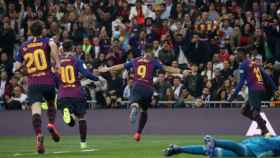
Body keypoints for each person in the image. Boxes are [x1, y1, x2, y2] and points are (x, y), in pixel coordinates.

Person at [99, 45, 181, 142]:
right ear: (151, 54)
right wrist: (180, 71)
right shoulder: (154, 62)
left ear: (143, 53)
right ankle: (138, 133)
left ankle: (134, 106)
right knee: (144, 111)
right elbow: (166, 68)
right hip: (148, 89)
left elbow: (121, 66)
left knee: (135, 102)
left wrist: (108, 69)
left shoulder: (135, 60)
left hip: (137, 85)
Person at [14, 21, 61, 154]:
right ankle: (51, 124)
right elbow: (53, 45)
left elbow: (17, 67)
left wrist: (25, 66)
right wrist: (57, 63)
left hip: (33, 83)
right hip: (47, 80)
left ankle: (38, 134)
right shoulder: (47, 41)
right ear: (42, 30)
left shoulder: (23, 46)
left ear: (30, 31)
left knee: (36, 110)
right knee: (51, 104)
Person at [57, 40, 99, 149]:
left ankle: (69, 115)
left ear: (63, 49)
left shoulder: (58, 62)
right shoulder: (77, 61)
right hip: (76, 92)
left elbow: (55, 78)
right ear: (72, 48)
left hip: (63, 93)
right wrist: (96, 78)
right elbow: (86, 73)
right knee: (81, 118)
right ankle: (83, 144)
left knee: (71, 122)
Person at [228, 47, 278, 136]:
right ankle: (262, 123)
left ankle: (266, 131)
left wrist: (233, 95)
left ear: (242, 54)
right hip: (261, 89)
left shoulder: (243, 65)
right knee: (244, 110)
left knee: (255, 112)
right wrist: (275, 88)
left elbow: (241, 82)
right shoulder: (254, 63)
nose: (236, 56)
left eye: (238, 54)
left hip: (254, 90)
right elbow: (266, 75)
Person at [164, 135, 280, 158]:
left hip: (254, 141)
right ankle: (215, 141)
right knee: (243, 151)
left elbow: (270, 136)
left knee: (212, 153)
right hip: (258, 148)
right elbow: (271, 153)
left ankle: (178, 149)